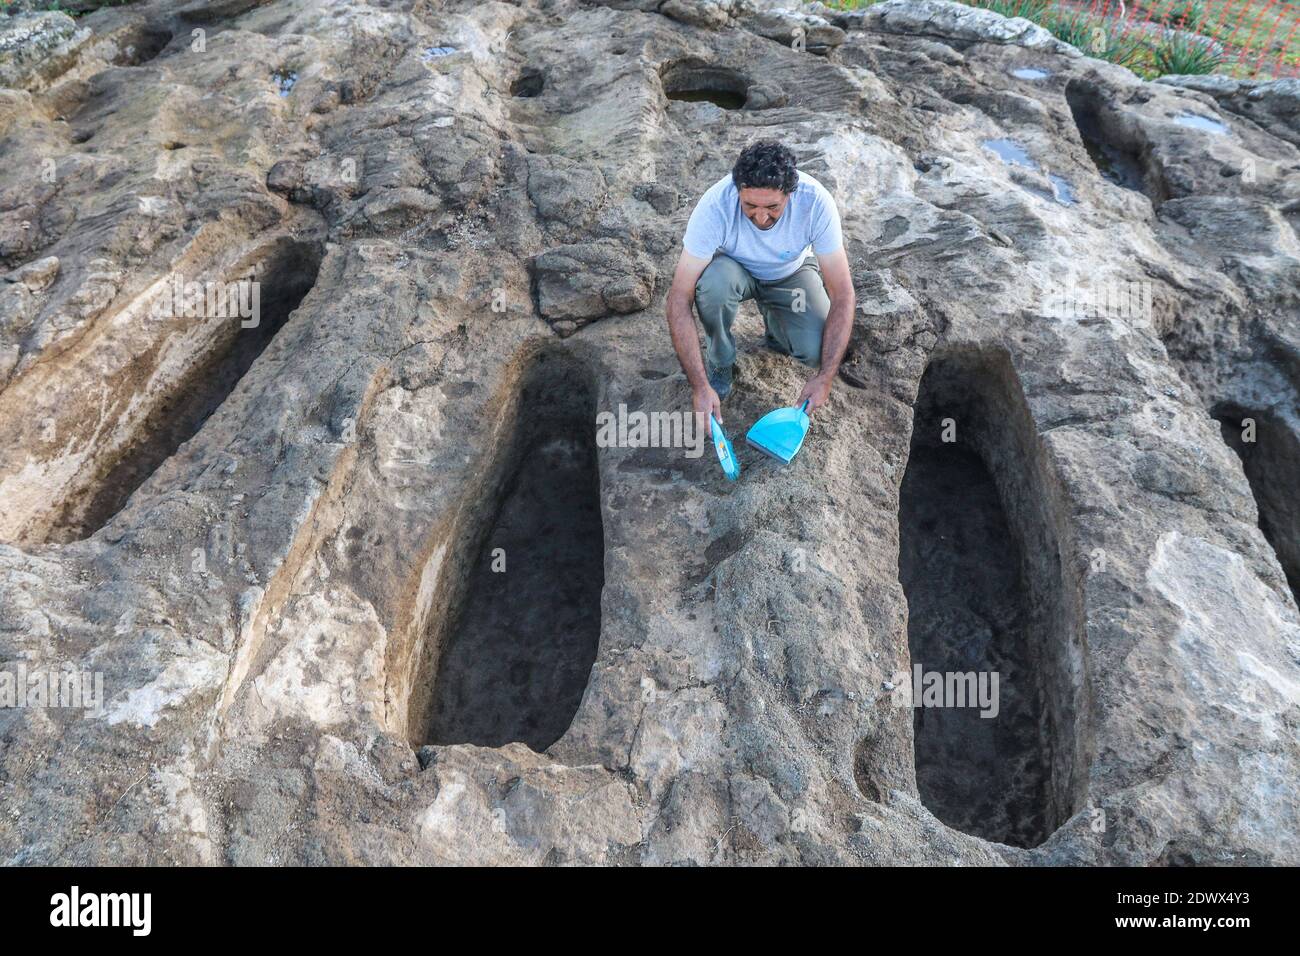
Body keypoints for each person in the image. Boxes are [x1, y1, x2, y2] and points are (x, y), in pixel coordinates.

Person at [665, 140, 854, 424]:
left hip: (791, 275)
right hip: (735, 271)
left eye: (773, 207)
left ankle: (777, 329)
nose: (761, 217)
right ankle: (721, 358)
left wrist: (825, 377)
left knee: (816, 351)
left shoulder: (815, 201)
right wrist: (699, 387)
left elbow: (843, 293)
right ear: (737, 190)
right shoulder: (716, 205)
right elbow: (678, 297)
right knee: (714, 287)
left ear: (791, 193)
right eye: (749, 205)